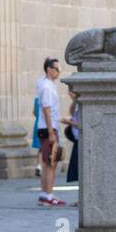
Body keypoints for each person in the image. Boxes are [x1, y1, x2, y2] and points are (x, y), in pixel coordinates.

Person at [36, 57, 67, 207]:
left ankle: (44, 194)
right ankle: (48, 195)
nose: (59, 73)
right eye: (57, 69)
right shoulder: (47, 87)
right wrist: (51, 132)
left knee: (47, 161)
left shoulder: (44, 84)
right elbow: (47, 110)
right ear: (49, 69)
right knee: (51, 162)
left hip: (46, 126)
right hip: (48, 128)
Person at [62, 88, 81, 196]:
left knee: (80, 172)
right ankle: (80, 199)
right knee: (78, 173)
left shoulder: (80, 104)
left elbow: (82, 124)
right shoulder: (75, 105)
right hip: (77, 139)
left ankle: (81, 199)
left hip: (80, 140)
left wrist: (69, 122)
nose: (69, 94)